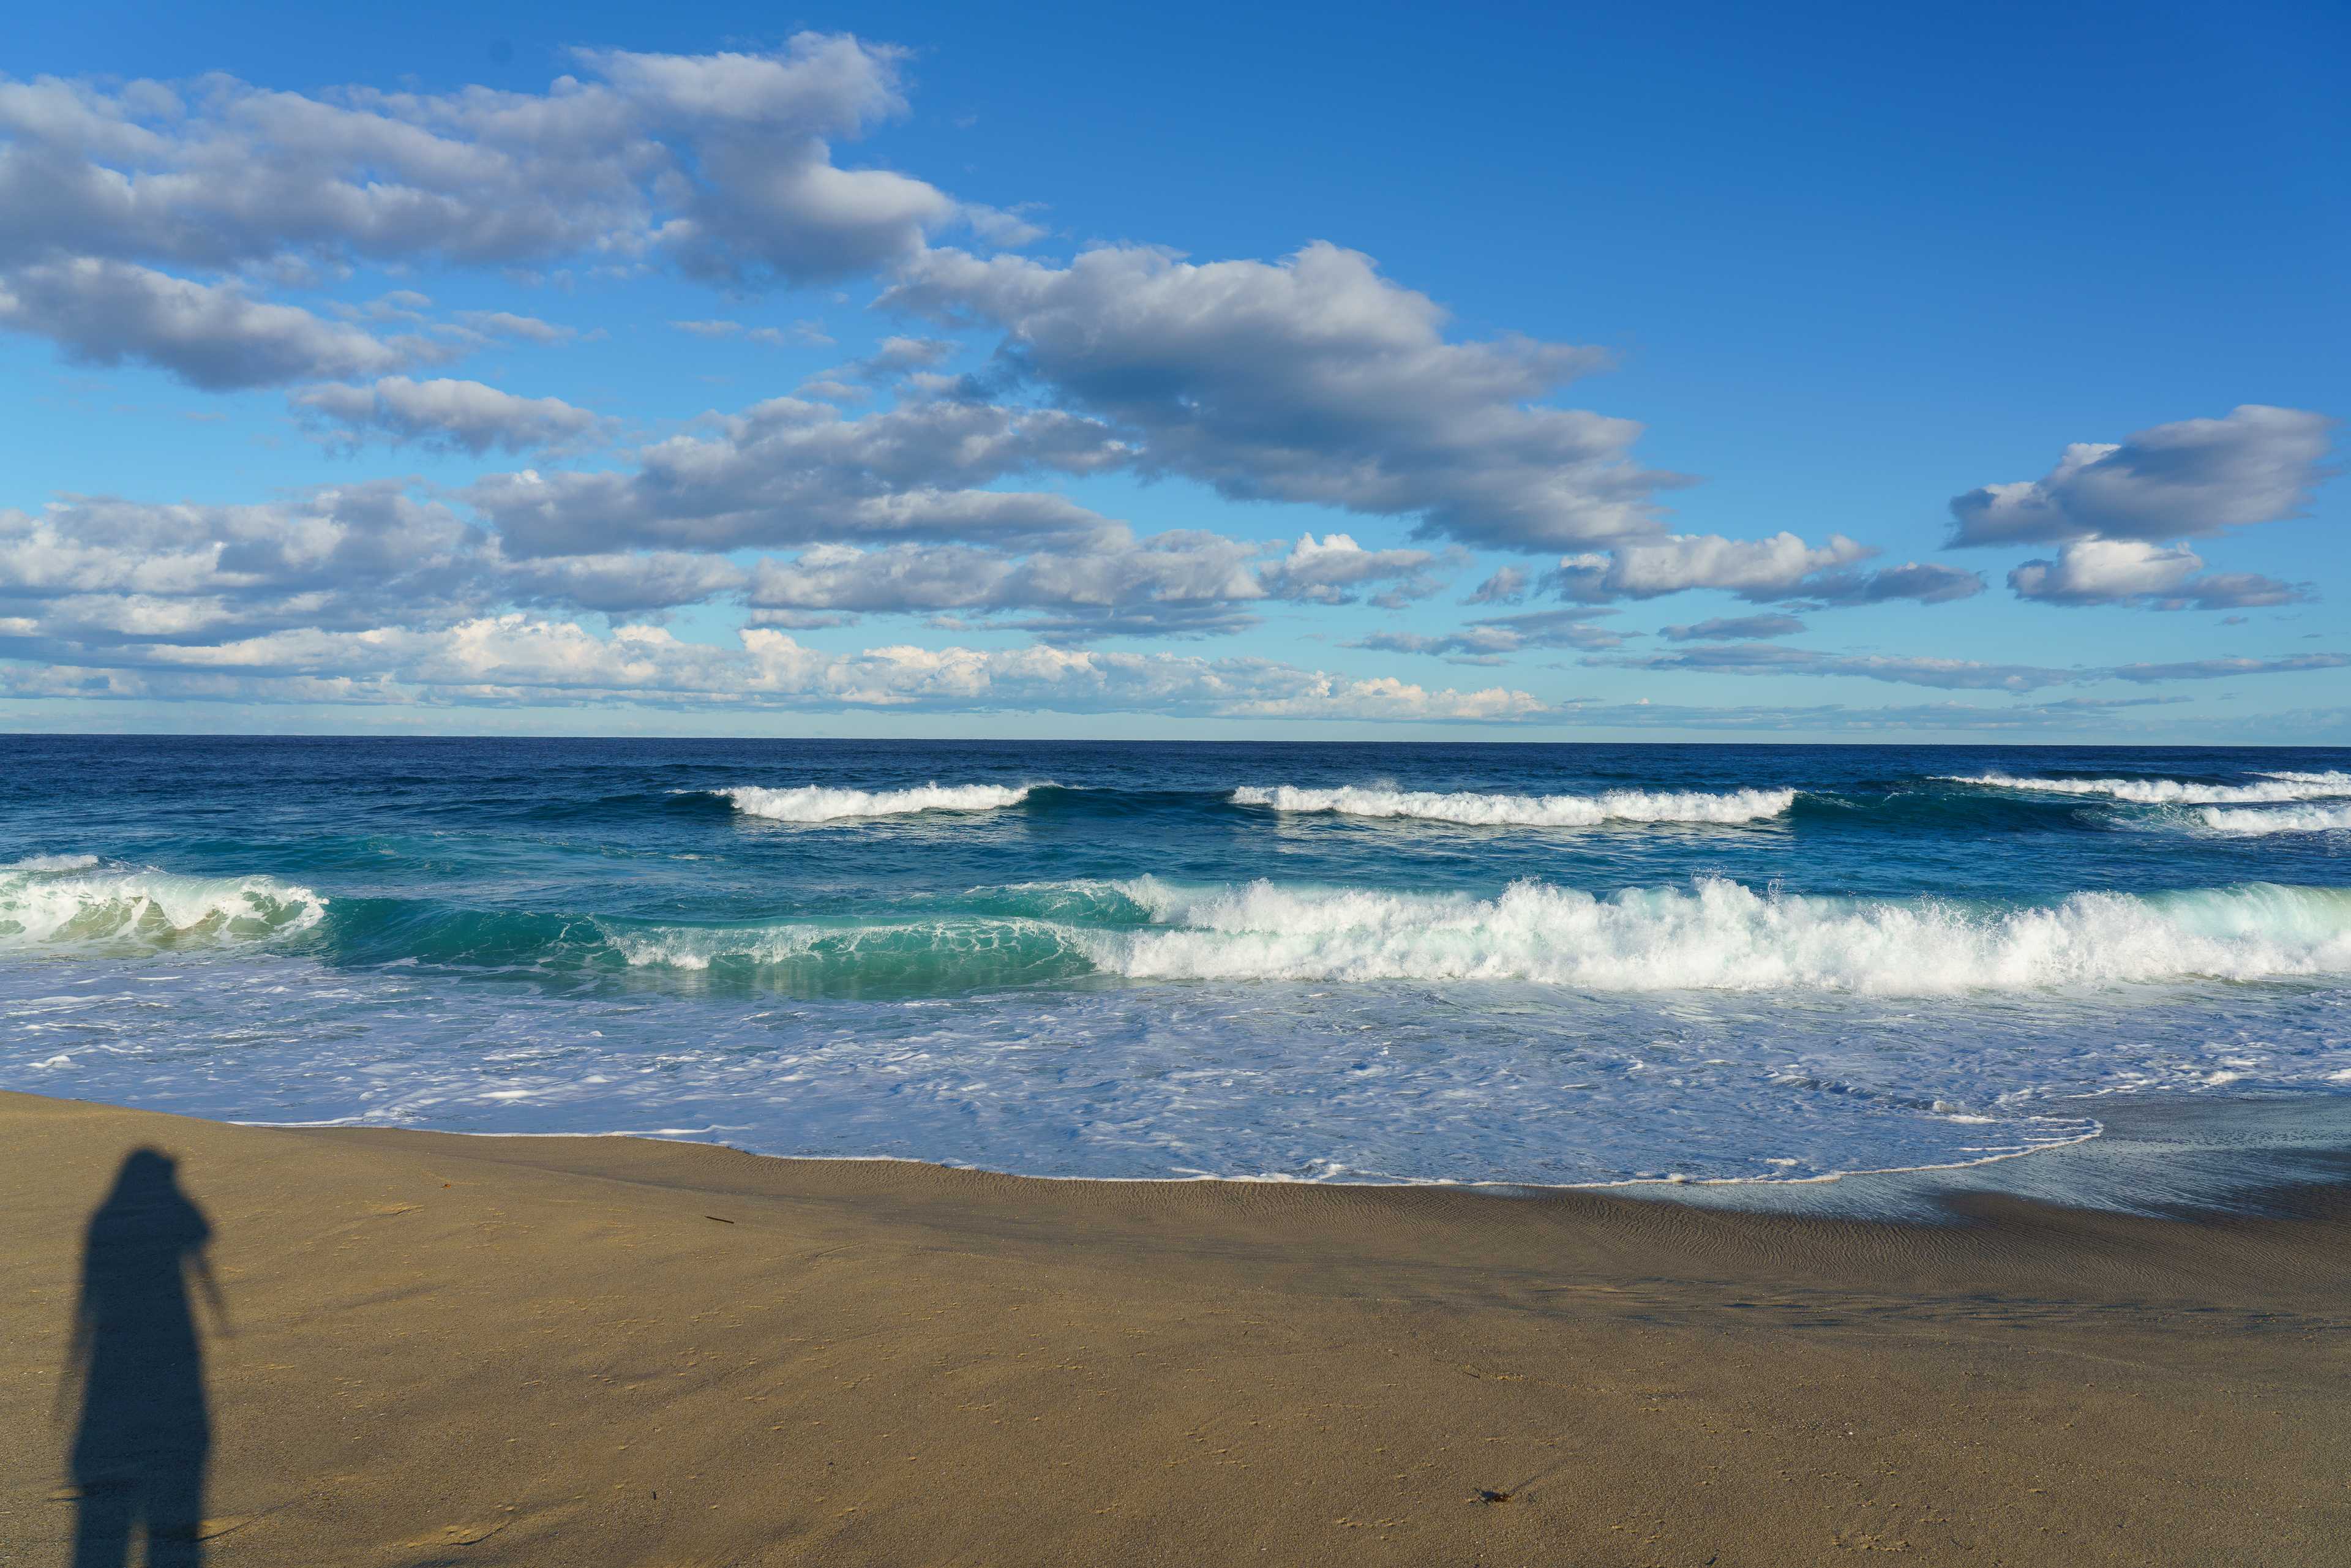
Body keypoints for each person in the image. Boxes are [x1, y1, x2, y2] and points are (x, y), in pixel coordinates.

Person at [60, 1149, 227, 1568]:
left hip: (112, 1350)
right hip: (170, 1335)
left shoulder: (103, 1217)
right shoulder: (169, 1209)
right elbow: (201, 1233)